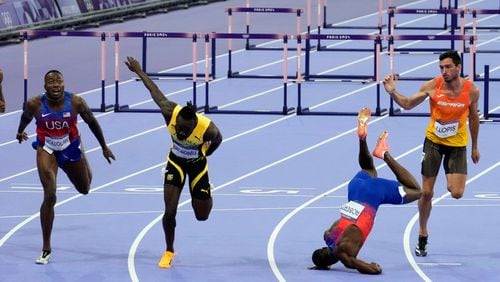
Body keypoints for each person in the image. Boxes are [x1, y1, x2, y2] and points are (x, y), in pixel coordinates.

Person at [124, 56, 223, 269]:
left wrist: (206, 153)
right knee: (170, 211)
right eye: (178, 129)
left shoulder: (208, 128)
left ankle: (207, 191)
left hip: (198, 165)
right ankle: (169, 250)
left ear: (194, 125)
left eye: (185, 132)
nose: (180, 132)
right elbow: (154, 91)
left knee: (202, 216)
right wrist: (139, 71)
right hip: (175, 162)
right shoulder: (169, 111)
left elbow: (219, 140)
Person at [382, 50, 480, 257]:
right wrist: (392, 92)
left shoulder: (472, 91)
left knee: (457, 193)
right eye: (441, 68)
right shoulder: (433, 87)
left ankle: (450, 173)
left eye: (447, 67)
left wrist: (474, 146)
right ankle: (422, 234)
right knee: (426, 192)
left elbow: (473, 118)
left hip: (457, 146)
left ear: (458, 68)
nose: (443, 71)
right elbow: (407, 104)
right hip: (433, 144)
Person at [15, 70, 115, 264]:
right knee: (50, 195)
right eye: (50, 82)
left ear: (64, 84)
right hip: (47, 148)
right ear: (45, 87)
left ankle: (82, 153)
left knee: (84, 189)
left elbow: (92, 121)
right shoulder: (34, 104)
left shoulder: (76, 102)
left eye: (58, 81)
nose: (55, 85)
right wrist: (20, 132)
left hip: (70, 146)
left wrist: (104, 147)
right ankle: (46, 248)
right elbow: (25, 117)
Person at [311, 107, 422, 274]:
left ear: (329, 264)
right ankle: (362, 139)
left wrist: (366, 265)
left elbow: (373, 270)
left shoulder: (344, 254)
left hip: (372, 195)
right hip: (355, 188)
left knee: (416, 191)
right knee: (368, 169)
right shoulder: (328, 235)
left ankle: (384, 154)